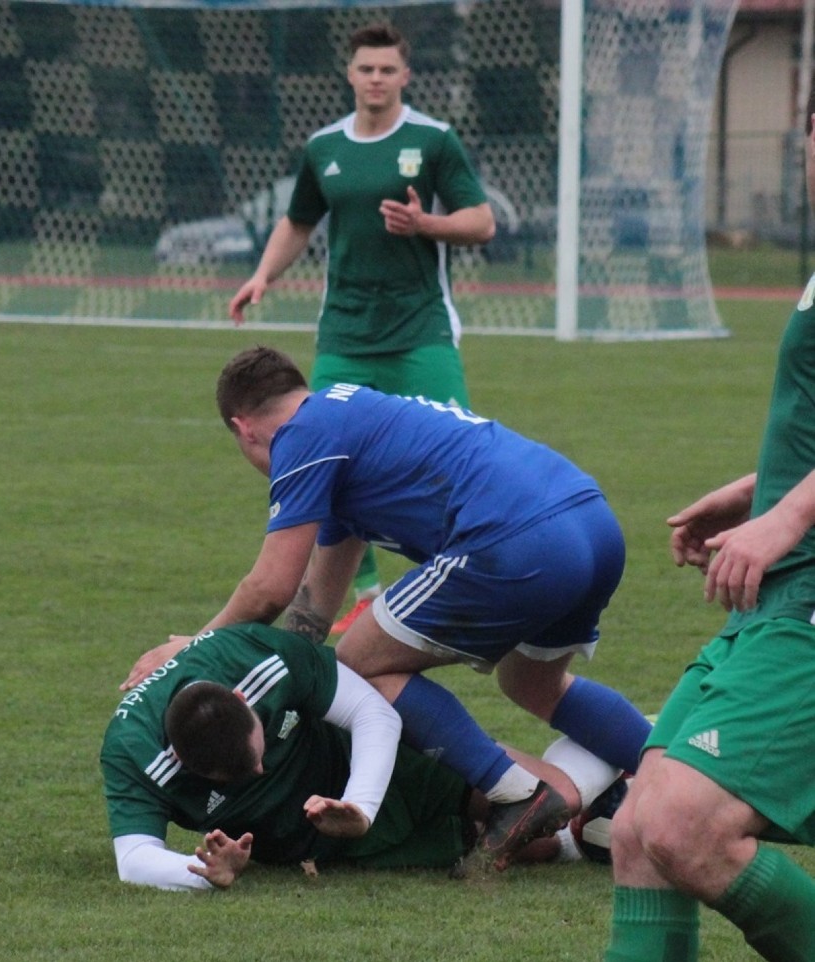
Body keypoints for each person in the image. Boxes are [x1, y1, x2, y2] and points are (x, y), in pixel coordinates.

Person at [122, 346, 651, 865]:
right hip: (591, 521)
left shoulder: (301, 436)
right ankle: (681, 771)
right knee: (532, 684)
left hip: (516, 539)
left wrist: (195, 648)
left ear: (243, 429)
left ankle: (517, 793)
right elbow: (309, 614)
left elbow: (269, 588)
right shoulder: (348, 416)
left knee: (358, 664)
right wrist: (277, 678)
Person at [601, 101, 815, 962]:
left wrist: (789, 516)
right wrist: (756, 496)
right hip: (779, 590)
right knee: (638, 832)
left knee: (687, 826)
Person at [227, 22, 496, 634]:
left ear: (405, 75)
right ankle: (365, 593)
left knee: (460, 458)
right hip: (345, 337)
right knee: (322, 462)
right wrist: (263, 275)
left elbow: (481, 223)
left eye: (387, 69)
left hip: (420, 330)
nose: (376, 79)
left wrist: (425, 225)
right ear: (350, 75)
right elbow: (298, 221)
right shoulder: (324, 147)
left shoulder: (433, 141)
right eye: (366, 69)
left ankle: (468, 575)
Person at [103, 620, 617, 891]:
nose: (261, 771)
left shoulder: (256, 657)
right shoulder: (131, 753)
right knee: (543, 850)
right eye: (241, 777)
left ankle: (638, 743)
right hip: (328, 848)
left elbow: (374, 715)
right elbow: (135, 859)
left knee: (562, 801)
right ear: (181, 762)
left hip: (376, 766)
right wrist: (205, 875)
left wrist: (360, 807)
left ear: (244, 700)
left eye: (259, 754)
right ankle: (605, 812)